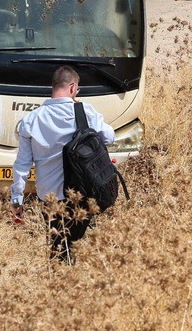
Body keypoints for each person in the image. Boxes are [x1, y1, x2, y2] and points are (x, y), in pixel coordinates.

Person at [11, 66, 115, 263]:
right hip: (82, 193)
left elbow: (22, 165)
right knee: (72, 245)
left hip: (49, 197)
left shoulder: (31, 120)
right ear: (73, 87)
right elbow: (109, 138)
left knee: (57, 244)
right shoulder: (84, 112)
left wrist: (17, 199)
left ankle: (59, 279)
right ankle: (66, 282)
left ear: (53, 87)